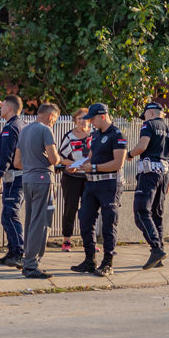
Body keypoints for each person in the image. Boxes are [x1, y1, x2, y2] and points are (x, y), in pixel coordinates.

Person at [73, 103, 128, 277]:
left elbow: (118, 163)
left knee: (109, 223)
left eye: (93, 119)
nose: (91, 122)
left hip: (109, 184)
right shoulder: (95, 136)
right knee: (85, 219)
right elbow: (90, 157)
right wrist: (78, 165)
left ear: (102, 116)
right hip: (92, 183)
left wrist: (94, 168)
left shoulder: (117, 135)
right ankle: (90, 259)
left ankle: (108, 263)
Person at [128, 102, 169, 269]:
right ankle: (160, 255)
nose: (143, 118)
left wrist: (128, 154)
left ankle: (156, 249)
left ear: (150, 113)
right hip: (164, 175)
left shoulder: (148, 125)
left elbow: (142, 146)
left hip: (149, 173)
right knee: (156, 214)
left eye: (144, 115)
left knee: (141, 211)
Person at [12, 104, 62, 278]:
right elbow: (54, 159)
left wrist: (32, 164)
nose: (54, 122)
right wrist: (54, 160)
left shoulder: (24, 130)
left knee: (31, 222)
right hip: (43, 181)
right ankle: (32, 265)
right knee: (41, 224)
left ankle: (28, 261)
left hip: (27, 180)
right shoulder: (46, 131)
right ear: (50, 116)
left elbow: (17, 163)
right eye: (55, 119)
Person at [0, 95, 27, 268]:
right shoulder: (23, 125)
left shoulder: (10, 128)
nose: (0, 108)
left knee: (10, 215)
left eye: (3, 106)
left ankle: (19, 252)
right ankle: (13, 251)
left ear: (10, 108)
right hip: (22, 177)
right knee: (8, 216)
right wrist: (4, 104)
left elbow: (6, 155)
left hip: (14, 178)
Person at [56, 107, 92, 252]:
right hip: (71, 177)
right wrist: (70, 164)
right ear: (75, 121)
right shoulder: (69, 137)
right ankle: (66, 240)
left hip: (90, 178)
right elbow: (60, 158)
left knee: (89, 210)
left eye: (85, 118)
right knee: (70, 208)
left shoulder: (95, 136)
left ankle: (89, 241)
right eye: (79, 119)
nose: (82, 121)